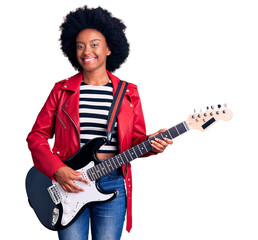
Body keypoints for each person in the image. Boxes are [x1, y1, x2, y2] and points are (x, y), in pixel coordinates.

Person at [26, 6, 173, 240]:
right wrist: (57, 170)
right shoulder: (62, 90)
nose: (87, 51)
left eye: (94, 44)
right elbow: (36, 136)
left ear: (109, 48)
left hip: (112, 184)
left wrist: (152, 145)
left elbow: (134, 142)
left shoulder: (128, 93)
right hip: (69, 184)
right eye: (80, 46)